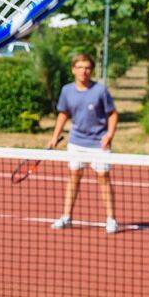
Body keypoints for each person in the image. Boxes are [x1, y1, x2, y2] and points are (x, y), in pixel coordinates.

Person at [49, 53, 120, 234]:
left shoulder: (100, 91)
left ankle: (111, 219)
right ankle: (66, 217)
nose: (84, 71)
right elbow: (63, 113)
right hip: (76, 142)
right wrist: (55, 136)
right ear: (73, 70)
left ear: (92, 70)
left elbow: (112, 113)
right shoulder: (67, 91)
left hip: (99, 143)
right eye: (80, 67)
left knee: (103, 178)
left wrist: (109, 135)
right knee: (73, 178)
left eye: (87, 67)